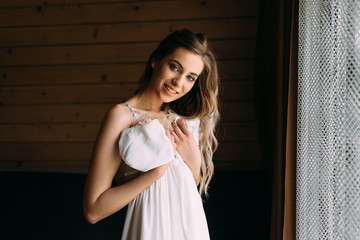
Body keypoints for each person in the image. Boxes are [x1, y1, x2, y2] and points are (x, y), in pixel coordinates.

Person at [83, 29, 220, 240]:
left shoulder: (182, 122)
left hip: (190, 230)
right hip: (150, 230)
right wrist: (155, 173)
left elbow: (184, 190)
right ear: (156, 61)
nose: (179, 82)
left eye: (190, 78)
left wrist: (193, 162)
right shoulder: (122, 116)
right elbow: (93, 211)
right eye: (174, 67)